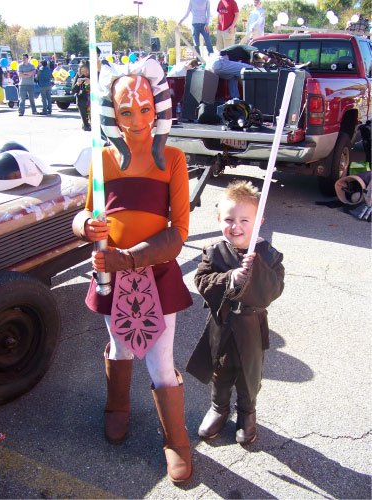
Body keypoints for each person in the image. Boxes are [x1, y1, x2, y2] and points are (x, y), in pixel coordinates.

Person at [72, 56, 193, 484]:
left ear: (157, 108)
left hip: (156, 275)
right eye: (127, 111)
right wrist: (85, 226)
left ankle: (176, 440)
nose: (137, 119)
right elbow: (86, 212)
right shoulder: (102, 159)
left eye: (145, 109)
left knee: (162, 364)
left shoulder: (173, 159)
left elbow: (179, 231)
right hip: (110, 274)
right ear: (113, 113)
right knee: (121, 348)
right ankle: (116, 407)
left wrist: (132, 258)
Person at [186, 180, 285, 444]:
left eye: (244, 220)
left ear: (259, 220)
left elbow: (274, 291)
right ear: (219, 219)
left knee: (249, 372)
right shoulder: (214, 252)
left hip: (251, 325)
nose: (236, 226)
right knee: (220, 369)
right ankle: (219, 408)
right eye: (229, 219)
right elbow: (202, 281)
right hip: (221, 323)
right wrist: (230, 278)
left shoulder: (268, 255)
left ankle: (247, 412)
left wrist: (256, 272)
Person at [71, 60, 91, 131]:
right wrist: (77, 84)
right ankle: (85, 125)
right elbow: (73, 90)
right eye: (83, 72)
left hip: (91, 100)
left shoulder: (94, 75)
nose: (85, 74)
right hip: (81, 100)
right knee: (86, 125)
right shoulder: (78, 76)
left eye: (87, 72)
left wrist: (91, 83)